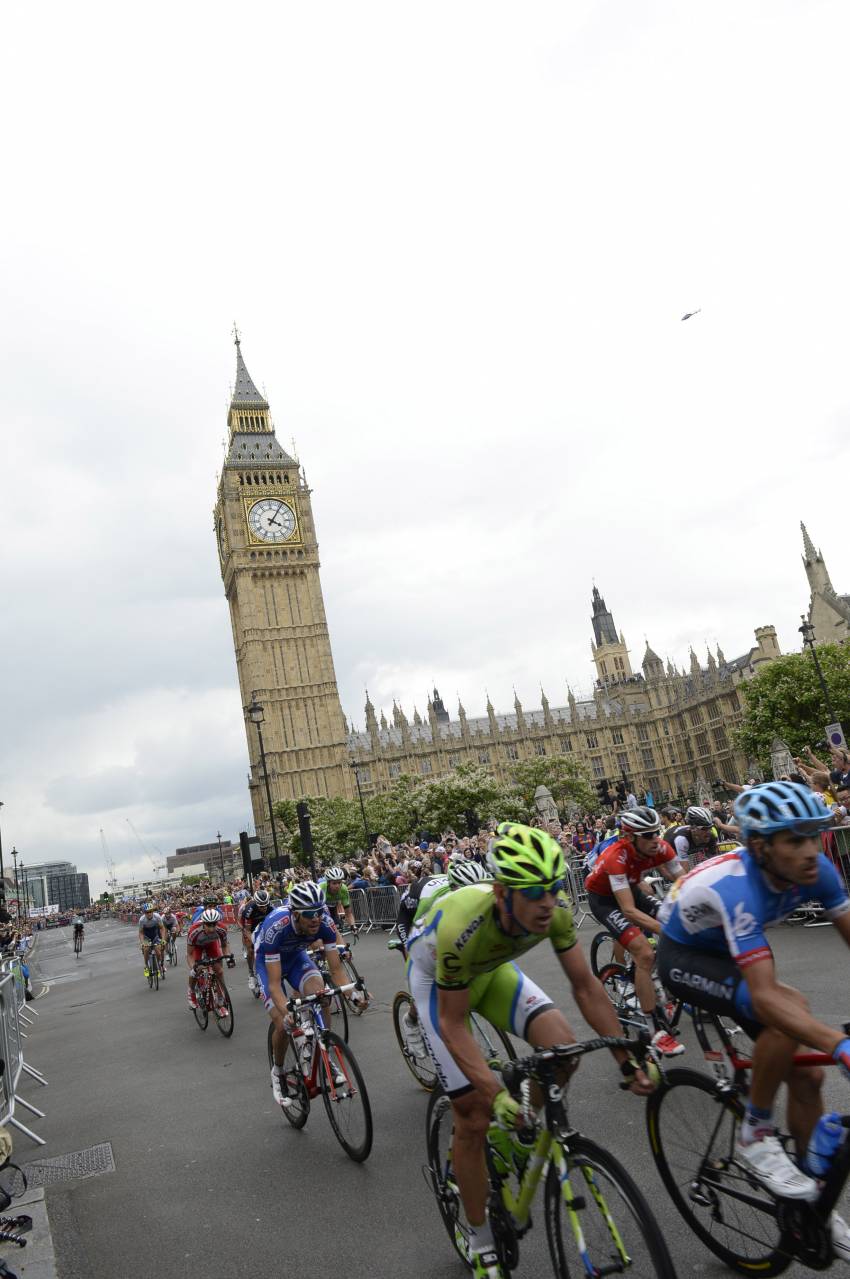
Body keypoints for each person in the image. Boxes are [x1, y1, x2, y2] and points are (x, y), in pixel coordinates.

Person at [406, 823, 654, 1279]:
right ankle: (480, 1243)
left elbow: (585, 987)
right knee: (473, 1114)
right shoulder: (463, 924)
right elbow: (453, 1024)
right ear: (502, 893)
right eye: (534, 891)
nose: (547, 901)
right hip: (438, 984)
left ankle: (512, 1137)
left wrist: (627, 1057)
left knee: (563, 1049)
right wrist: (493, 1093)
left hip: (492, 971)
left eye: (554, 888)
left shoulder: (554, 913)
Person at [658, 781, 850, 1252]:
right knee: (788, 1011)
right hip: (685, 954)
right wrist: (838, 1043)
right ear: (761, 847)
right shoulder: (739, 886)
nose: (810, 851)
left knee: (809, 1082)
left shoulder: (817, 867)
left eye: (812, 836)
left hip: (729, 945)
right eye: (795, 840)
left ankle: (812, 1204)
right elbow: (765, 998)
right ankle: (755, 1133)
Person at [584, 806, 686, 1056]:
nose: (655, 839)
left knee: (676, 920)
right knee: (644, 952)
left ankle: (665, 984)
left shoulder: (661, 847)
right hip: (605, 900)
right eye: (648, 835)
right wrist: (666, 930)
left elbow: (685, 882)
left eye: (656, 832)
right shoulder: (615, 856)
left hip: (631, 889)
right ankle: (654, 1031)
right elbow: (627, 910)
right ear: (630, 837)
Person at [254, 882, 347, 1107]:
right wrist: (288, 1012)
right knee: (283, 1023)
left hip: (296, 958)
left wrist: (354, 994)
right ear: (295, 914)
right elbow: (275, 985)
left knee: (322, 994)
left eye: (319, 911)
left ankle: (323, 1049)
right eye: (309, 914)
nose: (316, 918)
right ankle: (277, 1072)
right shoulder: (276, 927)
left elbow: (336, 970)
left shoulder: (324, 921)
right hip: (268, 964)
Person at [186, 907, 234, 1011]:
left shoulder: (222, 929)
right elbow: (189, 954)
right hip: (197, 947)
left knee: (219, 971)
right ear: (203, 923)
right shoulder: (194, 931)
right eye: (208, 925)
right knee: (196, 971)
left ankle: (220, 998)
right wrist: (193, 967)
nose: (212, 928)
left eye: (214, 924)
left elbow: (224, 945)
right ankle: (191, 992)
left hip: (211, 945)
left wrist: (228, 958)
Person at [240, 888, 273, 994]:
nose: (264, 908)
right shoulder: (249, 909)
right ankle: (251, 973)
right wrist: (254, 942)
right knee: (250, 949)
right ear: (256, 903)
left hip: (263, 925)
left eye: (265, 905)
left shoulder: (271, 907)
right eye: (261, 906)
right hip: (251, 927)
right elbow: (248, 930)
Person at [318, 867, 356, 931]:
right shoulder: (321, 888)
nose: (337, 886)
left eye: (339, 882)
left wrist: (353, 926)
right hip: (321, 910)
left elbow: (348, 913)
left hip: (333, 909)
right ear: (328, 883)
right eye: (334, 883)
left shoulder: (343, 889)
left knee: (336, 929)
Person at [137, 904, 167, 980]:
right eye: (147, 912)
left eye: (150, 911)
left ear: (153, 911)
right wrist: (142, 943)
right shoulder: (142, 920)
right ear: (144, 913)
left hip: (155, 935)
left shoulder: (157, 917)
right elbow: (140, 933)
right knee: (146, 949)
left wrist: (163, 939)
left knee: (158, 950)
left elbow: (162, 928)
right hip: (146, 936)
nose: (149, 913)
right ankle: (146, 966)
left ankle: (160, 965)